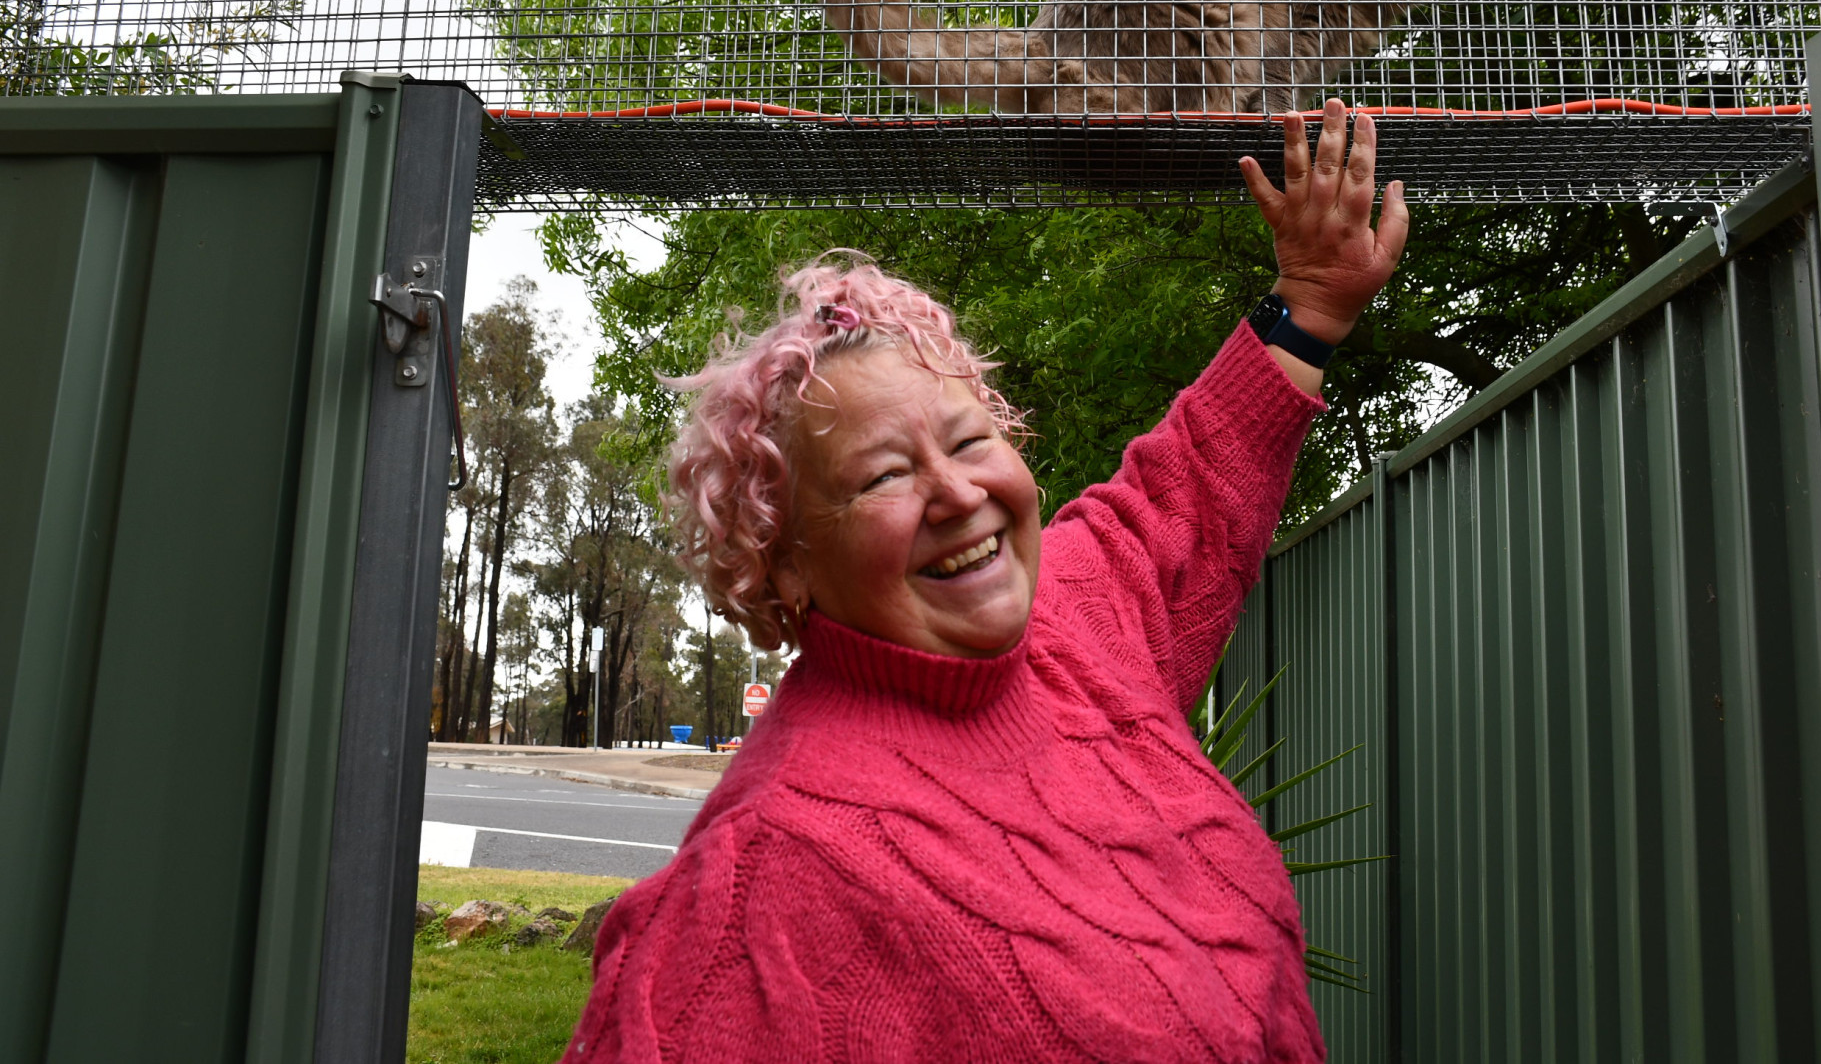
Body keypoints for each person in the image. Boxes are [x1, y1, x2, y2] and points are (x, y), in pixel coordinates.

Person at [562, 101, 1409, 1063]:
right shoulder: (768, 874)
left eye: (971, 439)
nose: (959, 490)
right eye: (885, 475)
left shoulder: (1081, 619)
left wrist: (1310, 301)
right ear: (782, 555)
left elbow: (1192, 483)